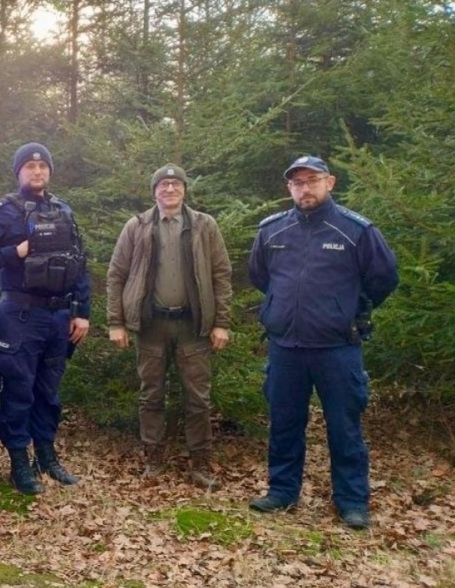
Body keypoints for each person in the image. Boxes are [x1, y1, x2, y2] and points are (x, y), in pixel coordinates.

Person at [247, 155, 399, 529]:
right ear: (289, 188)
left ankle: (351, 501)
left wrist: (346, 309)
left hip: (337, 349)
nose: (305, 188)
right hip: (286, 347)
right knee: (284, 422)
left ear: (329, 183)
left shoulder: (355, 230)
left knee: (344, 426)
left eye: (312, 180)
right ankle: (283, 491)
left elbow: (384, 278)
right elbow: (260, 276)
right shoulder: (272, 231)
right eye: (297, 182)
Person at [0, 142, 91, 494]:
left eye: (43, 166)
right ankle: (19, 463)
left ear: (49, 171)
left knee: (48, 392)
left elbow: (79, 262)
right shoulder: (3, 211)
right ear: (19, 172)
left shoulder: (62, 210)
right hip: (20, 314)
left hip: (59, 316)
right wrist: (15, 251)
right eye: (30, 166)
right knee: (19, 390)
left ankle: (47, 457)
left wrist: (82, 313)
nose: (37, 172)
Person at [106, 164, 233, 487]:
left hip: (193, 326)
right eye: (163, 185)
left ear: (185, 190)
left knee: (198, 399)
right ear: (154, 192)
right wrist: (116, 322)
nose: (170, 190)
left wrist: (221, 323)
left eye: (176, 184)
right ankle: (153, 461)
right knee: (151, 396)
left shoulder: (205, 226)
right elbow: (116, 275)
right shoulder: (137, 227)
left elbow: (221, 275)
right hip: (151, 325)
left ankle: (200, 466)